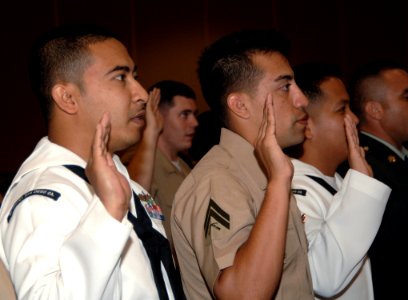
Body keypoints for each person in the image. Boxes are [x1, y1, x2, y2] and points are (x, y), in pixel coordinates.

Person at [0, 25, 184, 299]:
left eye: (135, 76)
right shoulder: (43, 197)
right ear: (68, 97)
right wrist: (107, 214)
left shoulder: (116, 179)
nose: (142, 94)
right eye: (120, 77)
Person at [171, 28, 314, 299]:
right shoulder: (219, 180)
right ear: (240, 105)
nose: (301, 99)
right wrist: (279, 181)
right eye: (285, 87)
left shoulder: (262, 172)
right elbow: (243, 293)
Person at [287, 62, 391, 299]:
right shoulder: (295, 189)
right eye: (342, 109)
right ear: (307, 125)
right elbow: (325, 275)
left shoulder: (336, 179)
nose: (354, 119)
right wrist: (363, 183)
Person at [339, 60, 408, 299]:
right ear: (375, 110)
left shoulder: (403, 158)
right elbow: (398, 238)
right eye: (407, 97)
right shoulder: (362, 163)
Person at [125, 80, 198, 261]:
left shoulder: (185, 166)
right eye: (184, 115)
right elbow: (135, 202)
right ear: (158, 116)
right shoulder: (141, 164)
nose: (195, 123)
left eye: (194, 114)